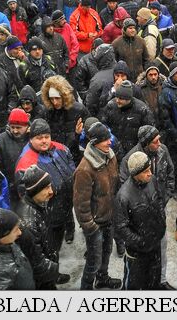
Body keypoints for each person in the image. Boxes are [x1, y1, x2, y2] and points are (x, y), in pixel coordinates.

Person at [15, 119, 75, 284]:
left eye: (46, 136)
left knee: (56, 243)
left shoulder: (61, 148)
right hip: (47, 216)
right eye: (39, 137)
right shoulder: (25, 162)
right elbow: (25, 194)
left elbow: (71, 166)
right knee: (49, 248)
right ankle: (51, 276)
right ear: (31, 139)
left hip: (64, 206)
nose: (44, 141)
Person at [73, 122, 121, 290]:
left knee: (106, 252)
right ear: (94, 143)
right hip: (95, 224)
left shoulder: (111, 156)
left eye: (109, 138)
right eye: (104, 140)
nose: (110, 142)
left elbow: (114, 187)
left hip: (109, 217)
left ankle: (102, 279)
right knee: (94, 260)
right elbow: (80, 204)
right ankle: (85, 289)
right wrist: (90, 227)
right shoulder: (84, 170)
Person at [114, 151, 166, 290]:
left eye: (150, 169)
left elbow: (159, 199)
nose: (150, 173)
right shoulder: (123, 196)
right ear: (135, 174)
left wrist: (162, 221)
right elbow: (121, 227)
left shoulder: (152, 180)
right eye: (145, 171)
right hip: (137, 254)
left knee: (153, 282)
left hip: (155, 245)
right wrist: (140, 242)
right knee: (133, 287)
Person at [15, 165, 60, 289]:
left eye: (50, 186)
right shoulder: (28, 222)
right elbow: (36, 263)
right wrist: (53, 269)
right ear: (34, 191)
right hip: (40, 281)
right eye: (46, 188)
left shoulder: (38, 203)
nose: (51, 191)